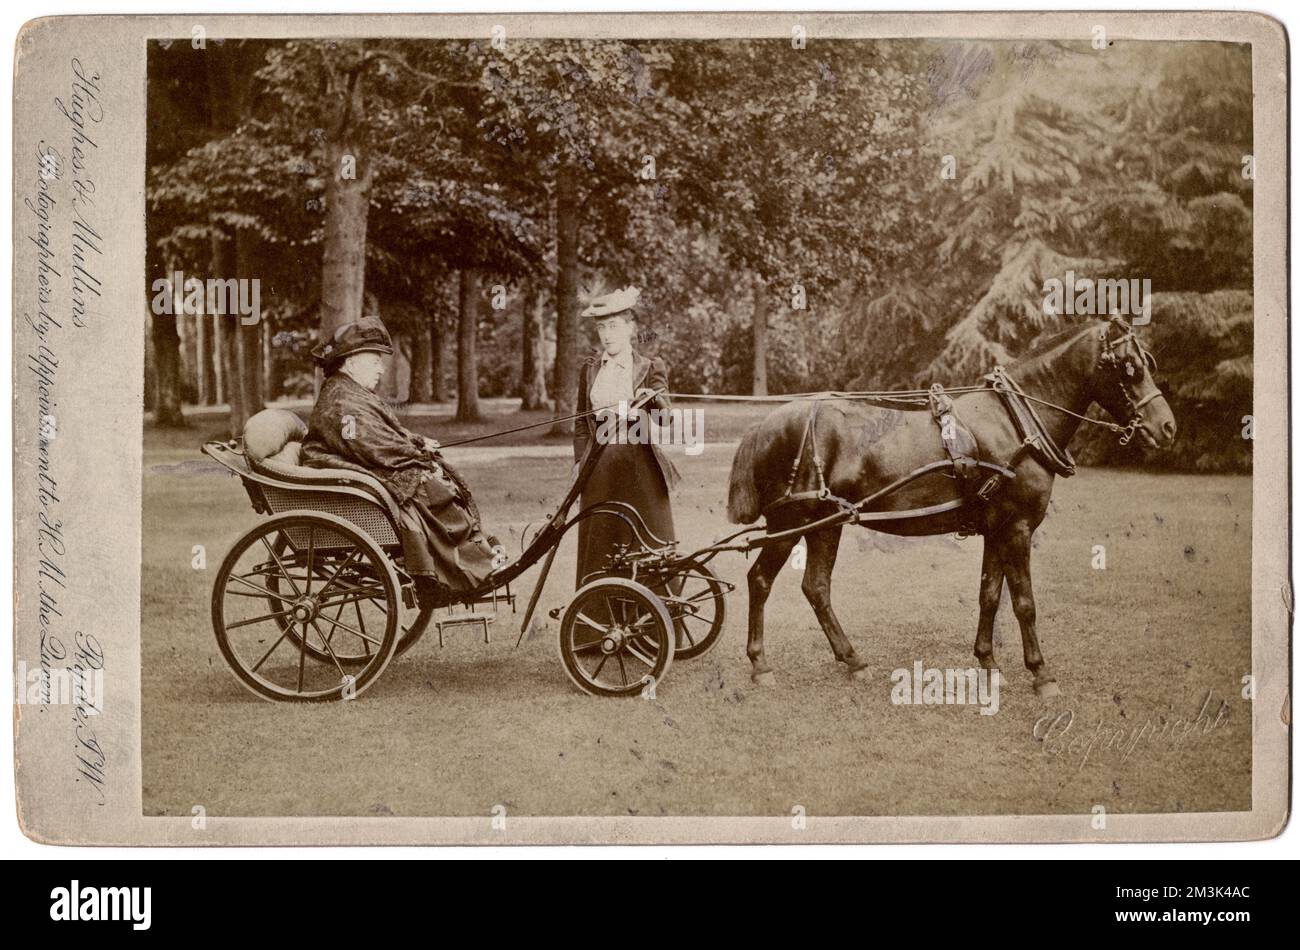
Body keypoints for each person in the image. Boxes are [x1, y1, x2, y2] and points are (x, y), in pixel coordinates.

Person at [300, 317, 503, 599]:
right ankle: (459, 569)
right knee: (427, 486)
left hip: (363, 469)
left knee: (433, 480)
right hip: (359, 478)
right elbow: (371, 444)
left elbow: (379, 435)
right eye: (375, 360)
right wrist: (417, 453)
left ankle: (474, 558)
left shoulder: (350, 392)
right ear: (352, 361)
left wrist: (417, 442)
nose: (381, 369)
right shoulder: (342, 401)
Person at [572, 287, 681, 587]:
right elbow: (581, 423)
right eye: (601, 328)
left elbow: (665, 419)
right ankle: (597, 624)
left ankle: (654, 621)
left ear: (630, 328)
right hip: (599, 471)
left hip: (639, 469)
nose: (607, 335)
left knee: (646, 549)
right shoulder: (590, 369)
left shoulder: (650, 366)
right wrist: (580, 463)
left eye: (614, 326)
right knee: (601, 547)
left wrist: (653, 399)